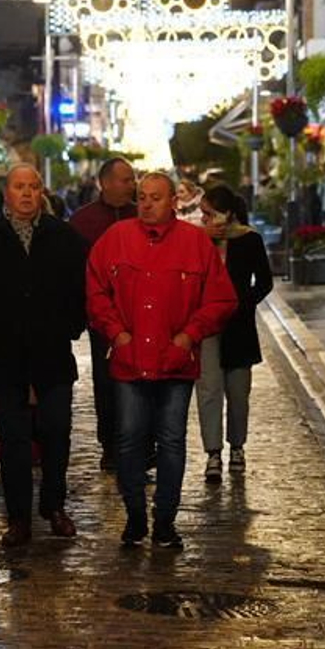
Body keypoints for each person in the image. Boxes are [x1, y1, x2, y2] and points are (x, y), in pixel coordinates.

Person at [87, 171, 237, 551]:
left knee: (171, 440)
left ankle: (165, 521)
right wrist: (118, 334)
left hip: (175, 361)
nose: (147, 204)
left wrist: (188, 336)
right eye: (142, 197)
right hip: (130, 360)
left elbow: (221, 299)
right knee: (129, 438)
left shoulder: (195, 243)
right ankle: (135, 517)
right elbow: (95, 291)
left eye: (155, 197)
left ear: (174, 202)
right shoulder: (116, 239)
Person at [0, 164, 88, 547]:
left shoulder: (63, 236)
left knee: (57, 432)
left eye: (33, 186)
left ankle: (54, 505)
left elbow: (81, 291)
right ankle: (18, 517)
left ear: (41, 191)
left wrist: (69, 327)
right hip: (5, 358)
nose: (27, 193)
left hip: (53, 356)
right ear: (7, 192)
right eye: (19, 186)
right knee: (13, 440)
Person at [195, 186, 273, 485]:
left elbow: (264, 281)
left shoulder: (249, 239)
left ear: (226, 213)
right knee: (209, 390)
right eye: (202, 213)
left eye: (208, 213)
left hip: (239, 327)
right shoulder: (199, 241)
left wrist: (244, 303)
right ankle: (213, 453)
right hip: (207, 325)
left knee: (238, 393)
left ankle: (237, 446)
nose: (204, 219)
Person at [68, 157, 137, 471]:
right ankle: (110, 443)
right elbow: (73, 271)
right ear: (105, 183)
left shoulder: (142, 214)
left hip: (141, 314)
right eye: (125, 180)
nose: (131, 185)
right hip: (102, 318)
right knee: (106, 381)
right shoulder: (84, 221)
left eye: (132, 179)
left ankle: (140, 444)